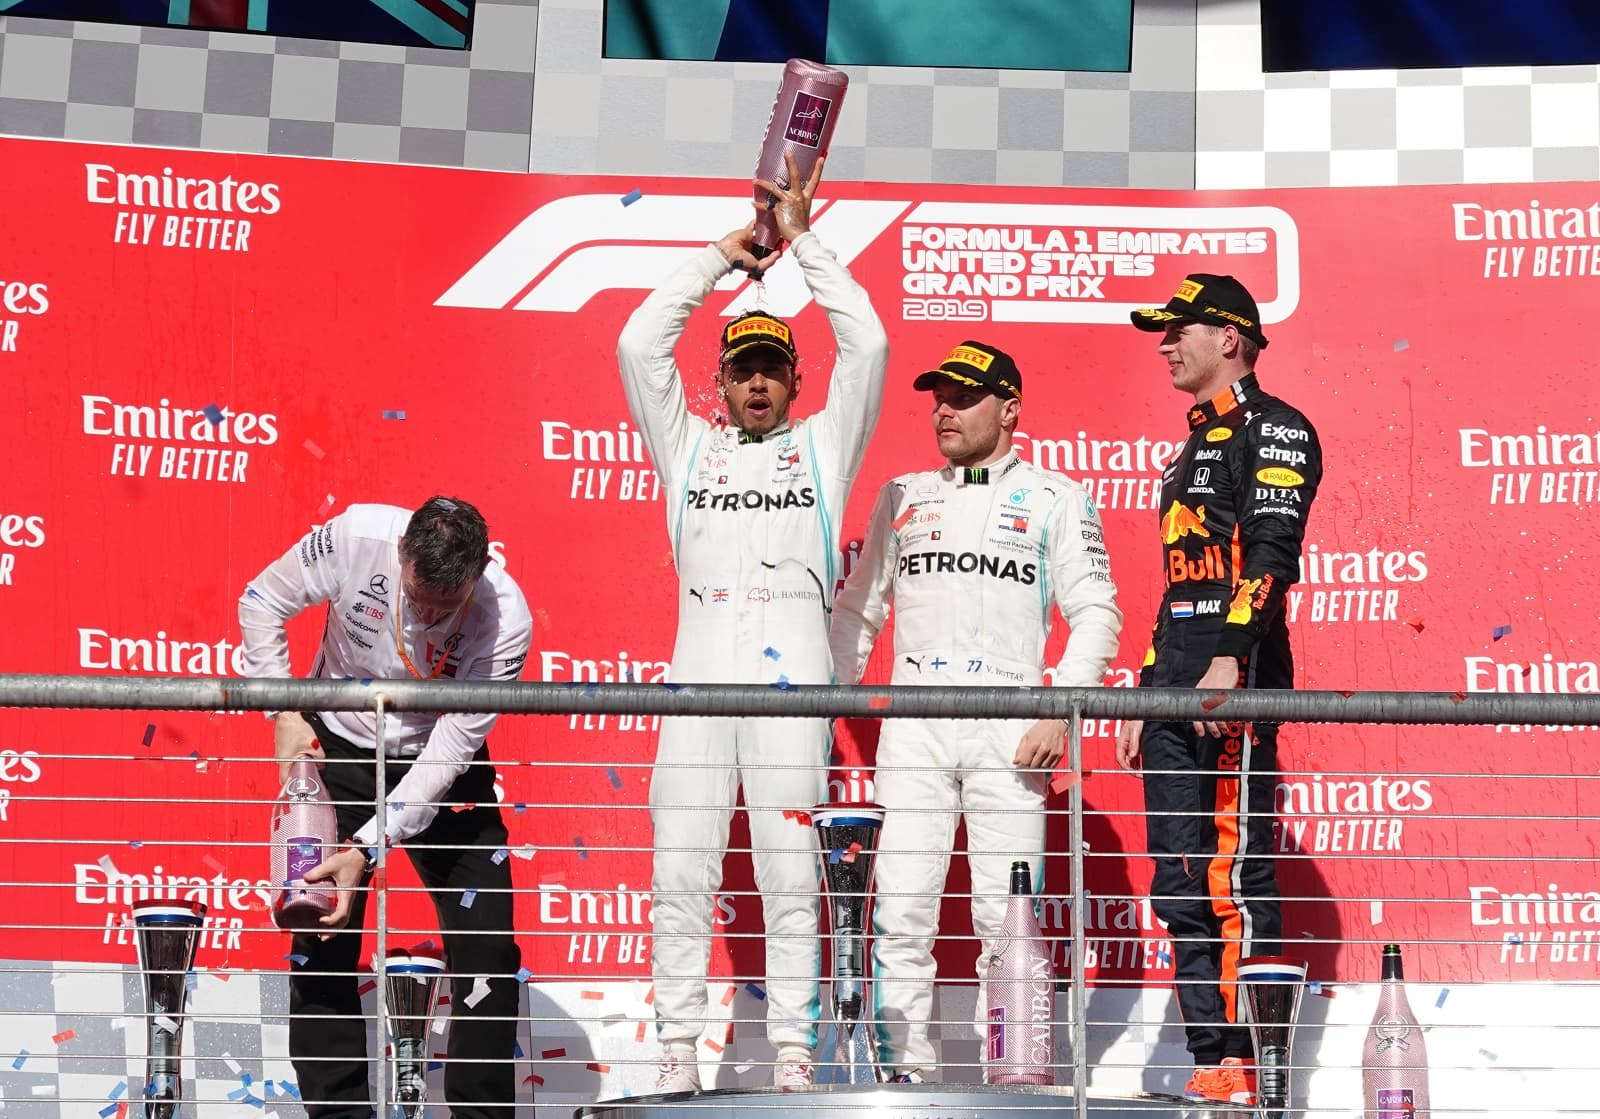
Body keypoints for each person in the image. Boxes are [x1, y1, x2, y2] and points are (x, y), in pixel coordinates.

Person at [616, 151, 889, 1092]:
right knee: (681, 874)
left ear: (797, 381)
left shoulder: (823, 449)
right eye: (744, 370)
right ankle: (675, 1053)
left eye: (773, 368)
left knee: (789, 877)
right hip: (696, 688)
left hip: (790, 690)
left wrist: (803, 242)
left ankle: (794, 1058)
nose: (759, 384)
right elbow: (637, 346)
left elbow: (870, 346)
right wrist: (720, 258)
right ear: (722, 383)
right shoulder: (687, 447)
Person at [830, 340, 1124, 1083]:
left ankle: (1013, 1074)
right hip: (915, 730)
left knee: (1006, 917)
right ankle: (904, 1078)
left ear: (1010, 409)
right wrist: (823, 706)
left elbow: (1096, 612)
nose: (945, 411)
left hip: (1012, 731)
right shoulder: (902, 494)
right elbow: (858, 611)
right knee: (901, 913)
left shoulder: (1057, 497)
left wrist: (1060, 709)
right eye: (940, 398)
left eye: (964, 398)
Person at [238, 496, 532, 1118]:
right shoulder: (357, 536)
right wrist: (282, 710)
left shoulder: (506, 617)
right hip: (337, 746)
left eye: (445, 607)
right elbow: (260, 601)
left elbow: (448, 757)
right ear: (401, 553)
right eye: (418, 597)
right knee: (319, 930)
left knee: (489, 946)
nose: (427, 617)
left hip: (439, 765)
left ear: (480, 573)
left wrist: (366, 849)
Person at [1116, 274, 1323, 1107]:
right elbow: (1180, 584)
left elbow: (1272, 555)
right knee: (1177, 878)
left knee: (1232, 876)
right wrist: (1145, 687)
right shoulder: (1189, 446)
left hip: (1231, 683)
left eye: (1179, 331)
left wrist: (1232, 657)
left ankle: (1253, 1065)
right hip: (1174, 685)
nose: (1166, 346)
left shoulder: (1279, 427)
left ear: (1229, 338)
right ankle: (1212, 1063)